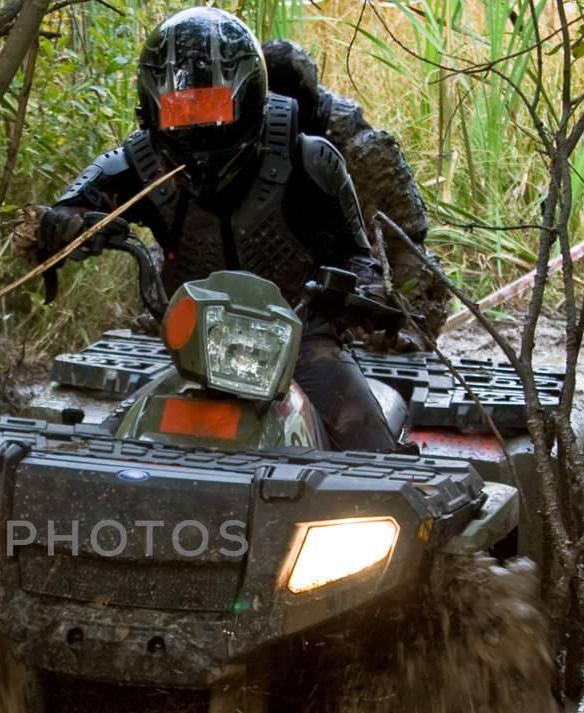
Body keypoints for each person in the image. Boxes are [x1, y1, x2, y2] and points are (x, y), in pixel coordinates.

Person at [28, 7, 400, 453]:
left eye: (210, 106)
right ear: (152, 108)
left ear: (248, 97)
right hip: (193, 346)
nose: (197, 125)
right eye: (181, 110)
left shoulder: (310, 161)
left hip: (302, 341)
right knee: (105, 449)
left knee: (373, 455)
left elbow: (360, 255)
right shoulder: (139, 163)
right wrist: (64, 226)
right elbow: (62, 211)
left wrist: (364, 290)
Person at [263, 39, 448, 340]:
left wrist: (402, 326)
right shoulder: (237, 137)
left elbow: (407, 248)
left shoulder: (361, 150)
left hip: (343, 289)